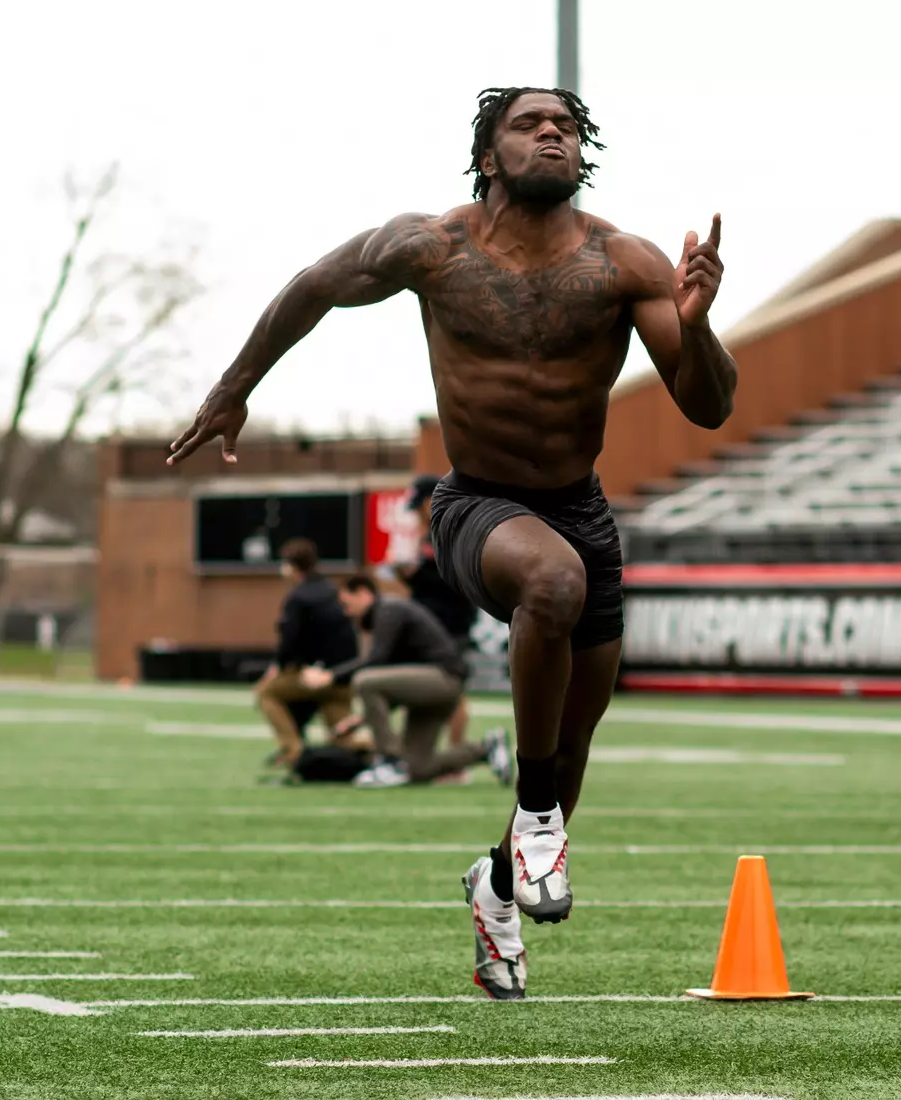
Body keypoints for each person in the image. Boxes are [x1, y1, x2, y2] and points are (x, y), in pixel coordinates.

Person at [168, 87, 736, 1000]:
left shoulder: (624, 262)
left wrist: (699, 324)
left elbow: (709, 404)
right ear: (487, 155)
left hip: (581, 510)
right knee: (551, 587)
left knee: (573, 742)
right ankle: (538, 811)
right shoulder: (429, 247)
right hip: (476, 504)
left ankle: (499, 882)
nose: (553, 133)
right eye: (530, 124)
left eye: (568, 127)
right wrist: (235, 389)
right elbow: (312, 288)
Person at [299, 574, 510, 789]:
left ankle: (389, 761)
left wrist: (330, 675)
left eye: (346, 603)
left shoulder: (389, 609)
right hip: (432, 689)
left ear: (363, 592)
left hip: (443, 679)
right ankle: (485, 749)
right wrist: (360, 720)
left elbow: (376, 661)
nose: (346, 611)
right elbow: (394, 687)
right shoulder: (386, 615)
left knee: (365, 681)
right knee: (418, 769)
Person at [252, 537, 359, 771]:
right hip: (344, 678)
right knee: (345, 740)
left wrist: (278, 667)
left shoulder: (298, 597)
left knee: (266, 693)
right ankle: (375, 752)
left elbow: (290, 642)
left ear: (291, 565)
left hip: (314, 676)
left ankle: (293, 750)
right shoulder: (333, 591)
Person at [396, 473, 480, 764]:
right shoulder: (433, 532)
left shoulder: (451, 531)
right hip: (433, 625)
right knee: (429, 689)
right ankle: (429, 753)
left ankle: (458, 756)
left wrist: (415, 575)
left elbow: (454, 583)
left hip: (449, 625)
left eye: (420, 504)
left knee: (452, 692)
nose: (418, 512)